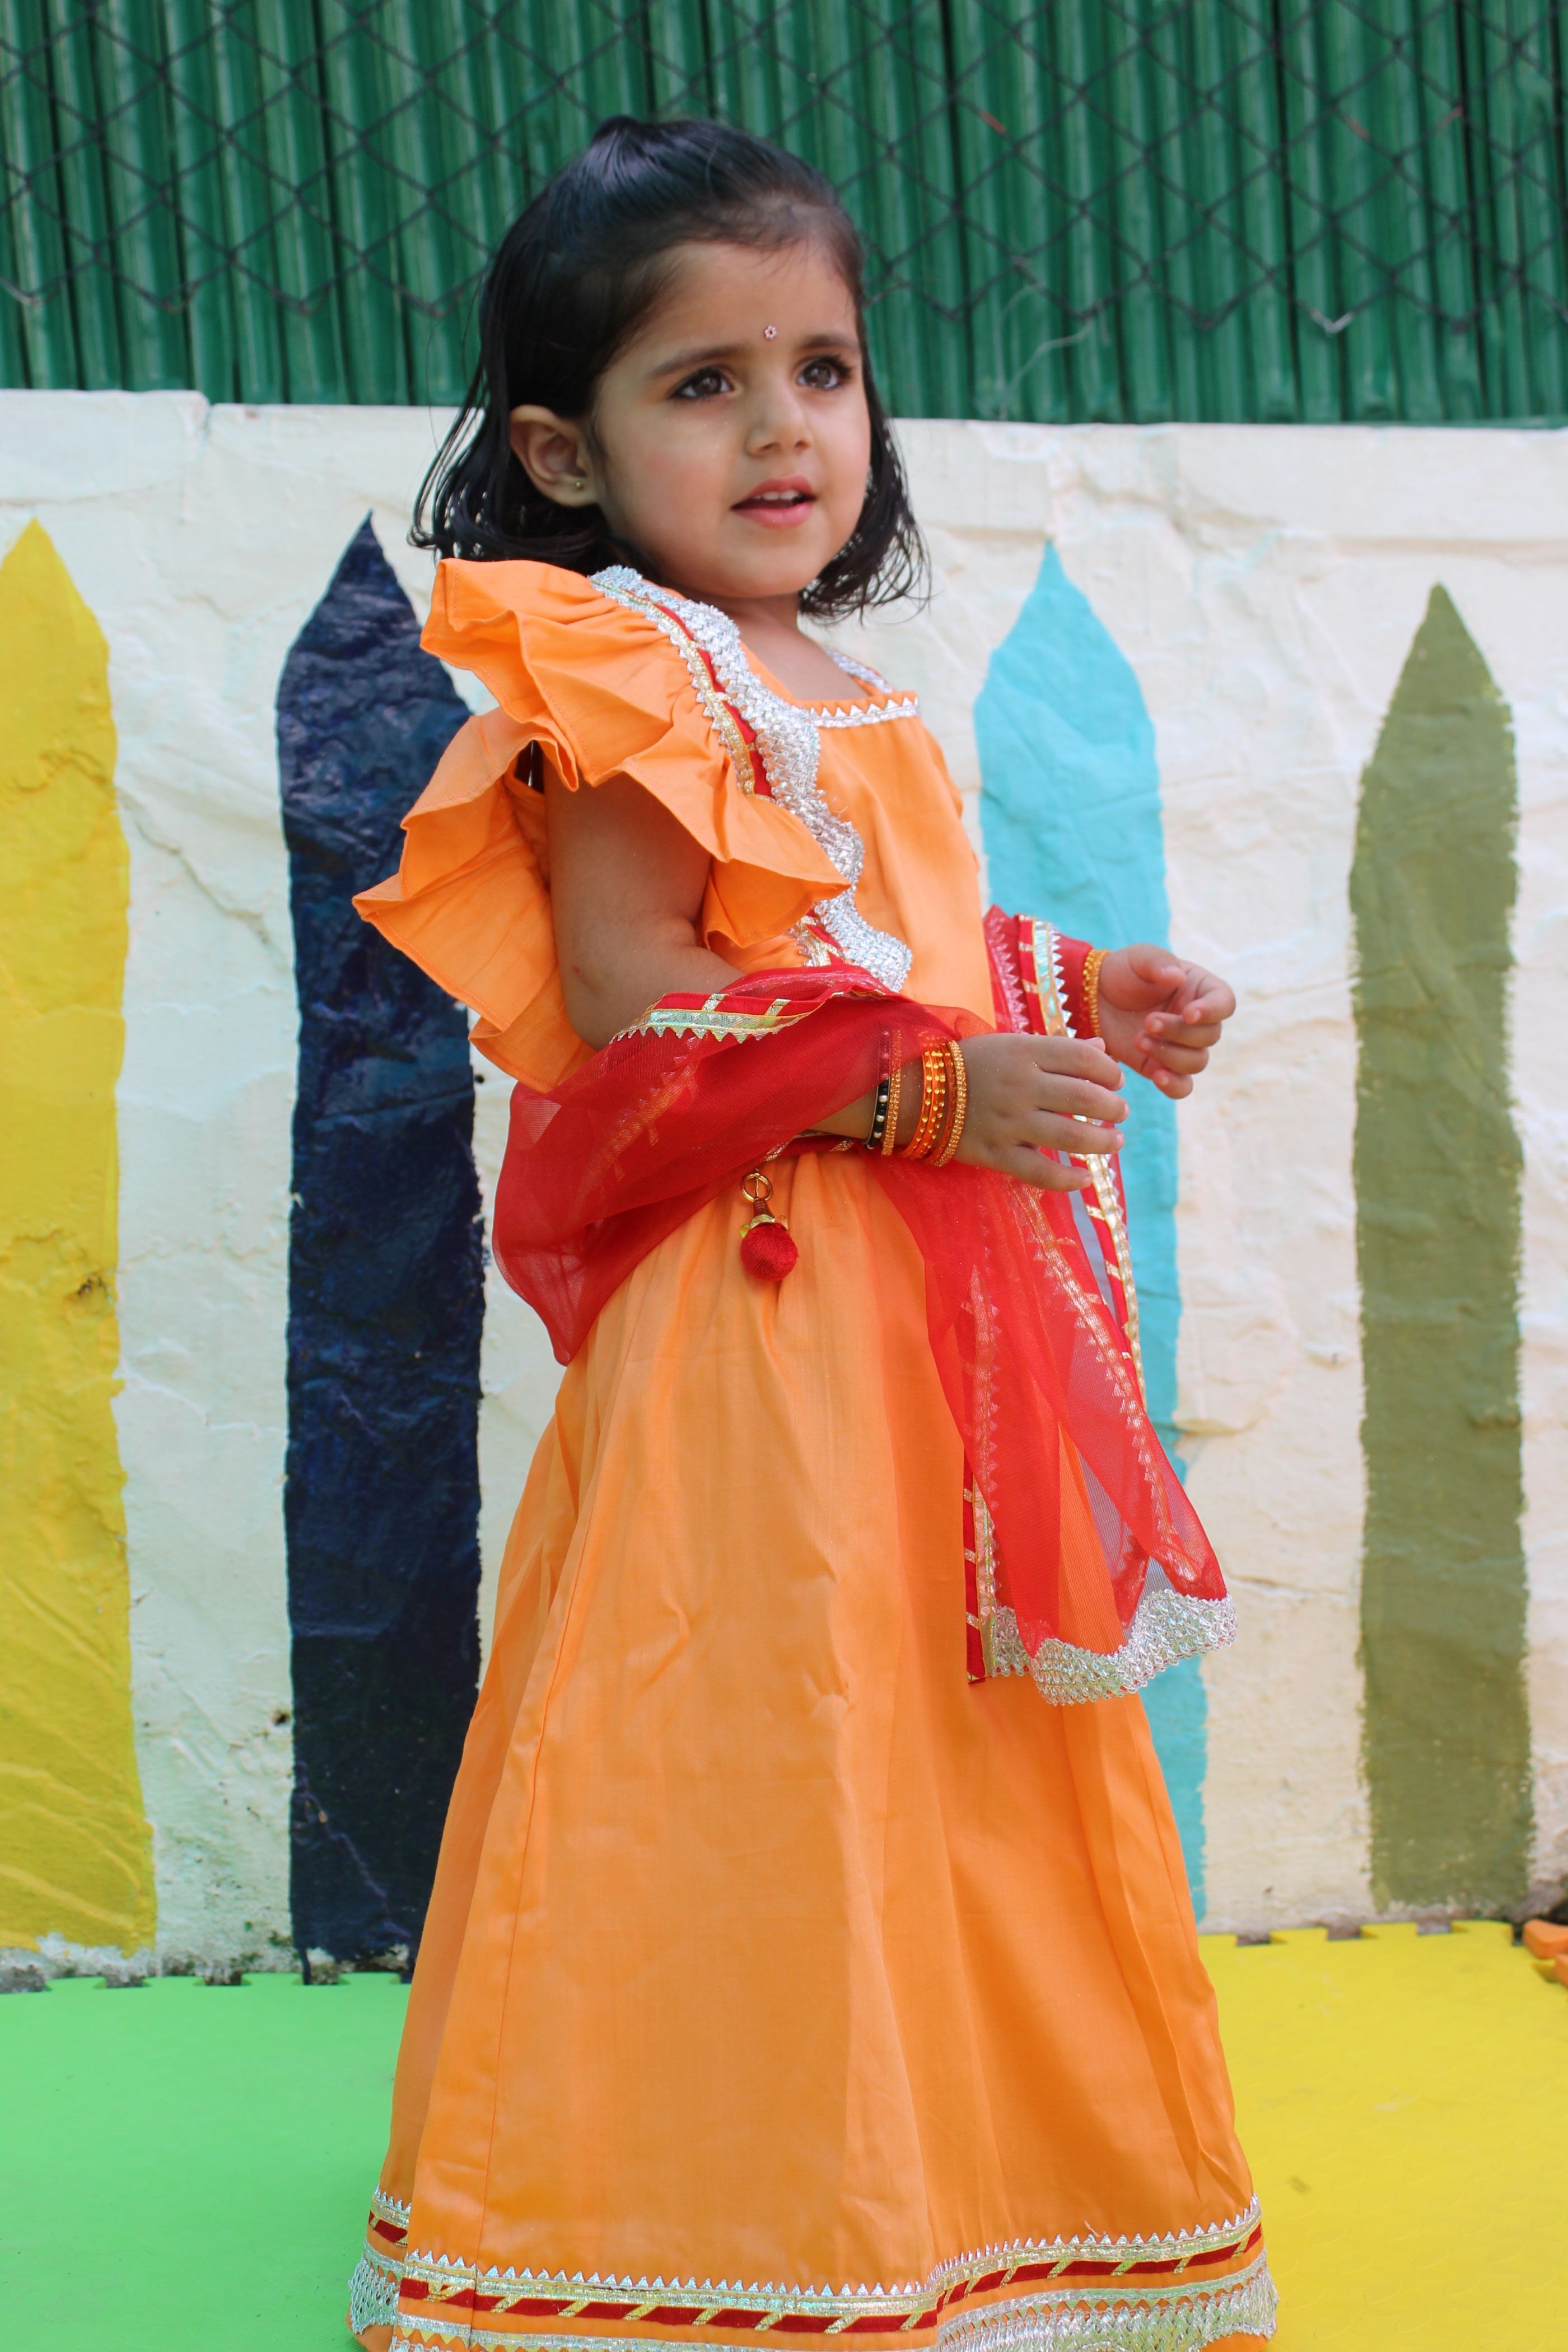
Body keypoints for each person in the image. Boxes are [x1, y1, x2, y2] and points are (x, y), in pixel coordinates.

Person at [347, 116, 1273, 2352]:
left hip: (921, 1332)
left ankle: (958, 2200)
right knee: (755, 1732)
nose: (784, 427)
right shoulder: (624, 682)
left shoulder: (843, 694)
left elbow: (893, 946)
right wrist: (921, 1085)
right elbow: (629, 989)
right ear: (565, 452)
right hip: (757, 1342)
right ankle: (692, 2221)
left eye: (823, 370)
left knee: (930, 1738)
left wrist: (1063, 992)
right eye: (703, 384)